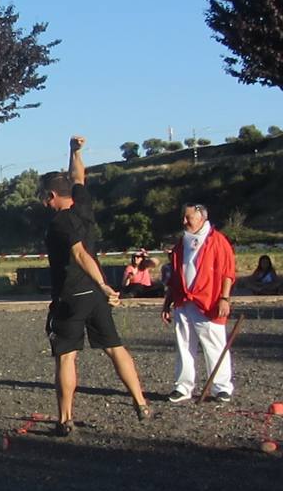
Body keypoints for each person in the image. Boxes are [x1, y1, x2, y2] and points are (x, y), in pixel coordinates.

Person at [41, 135, 152, 436]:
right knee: (115, 347)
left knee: (66, 356)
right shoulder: (84, 205)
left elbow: (80, 254)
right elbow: (78, 176)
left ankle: (65, 420)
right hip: (94, 297)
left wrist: (103, 284)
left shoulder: (60, 222)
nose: (43, 202)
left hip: (73, 294)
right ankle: (141, 402)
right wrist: (75, 151)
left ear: (52, 196)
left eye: (44, 197)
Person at [162, 204, 236, 403]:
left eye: (188, 218)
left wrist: (224, 298)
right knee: (184, 345)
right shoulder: (181, 244)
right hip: (183, 301)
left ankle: (222, 387)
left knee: (215, 344)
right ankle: (183, 387)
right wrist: (167, 303)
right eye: (184, 218)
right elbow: (175, 276)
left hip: (209, 301)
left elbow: (228, 273)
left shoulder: (218, 241)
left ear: (201, 217)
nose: (184, 222)